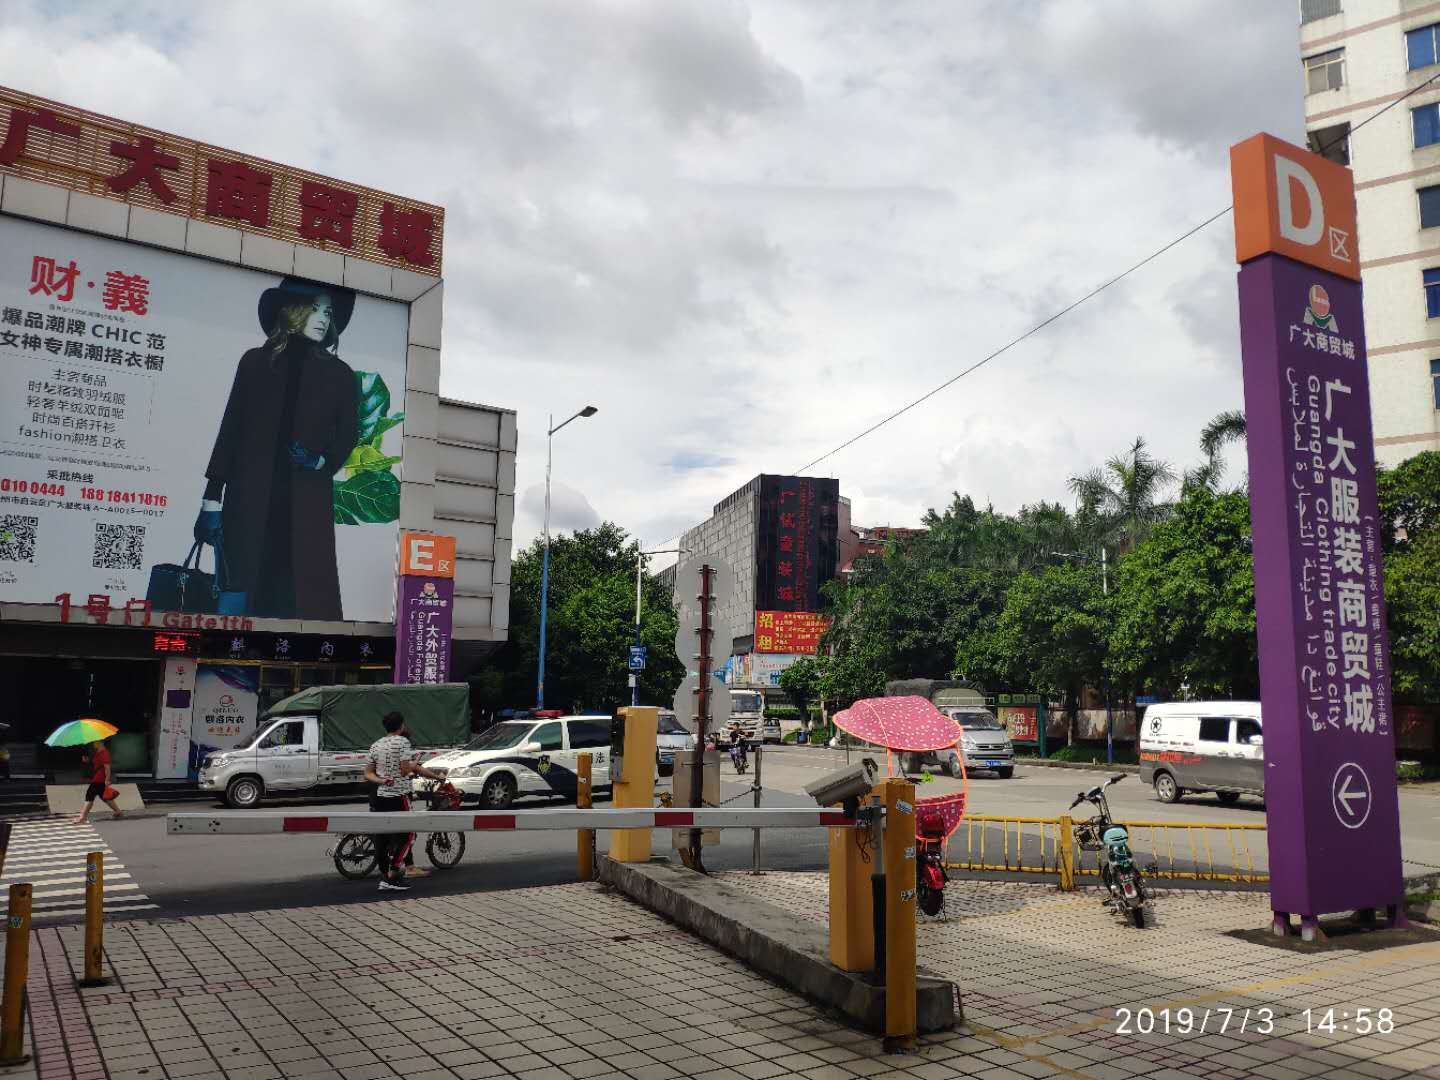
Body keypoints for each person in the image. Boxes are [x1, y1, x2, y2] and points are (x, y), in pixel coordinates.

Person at [196, 277, 360, 620]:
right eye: (314, 309)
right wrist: (211, 499)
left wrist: (320, 462)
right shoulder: (254, 362)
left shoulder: (341, 375)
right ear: (292, 311)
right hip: (249, 498)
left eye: (328, 312)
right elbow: (231, 429)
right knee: (241, 589)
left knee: (304, 594)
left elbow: (348, 434)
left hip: (306, 502)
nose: (323, 318)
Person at [365, 712, 442, 892]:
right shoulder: (403, 742)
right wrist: (413, 766)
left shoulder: (376, 745)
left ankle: (385, 877)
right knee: (409, 835)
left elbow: (368, 773)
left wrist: (381, 780)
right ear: (401, 726)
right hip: (398, 795)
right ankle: (394, 873)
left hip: (381, 795)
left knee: (383, 837)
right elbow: (404, 770)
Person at [74, 739, 122, 824]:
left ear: (100, 743)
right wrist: (87, 760)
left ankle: (82, 817)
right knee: (104, 796)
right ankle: (118, 812)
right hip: (98, 778)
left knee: (89, 795)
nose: (93, 744)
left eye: (95, 742)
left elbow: (107, 768)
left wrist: (107, 779)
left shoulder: (104, 753)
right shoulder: (98, 752)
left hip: (99, 779)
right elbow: (96, 764)